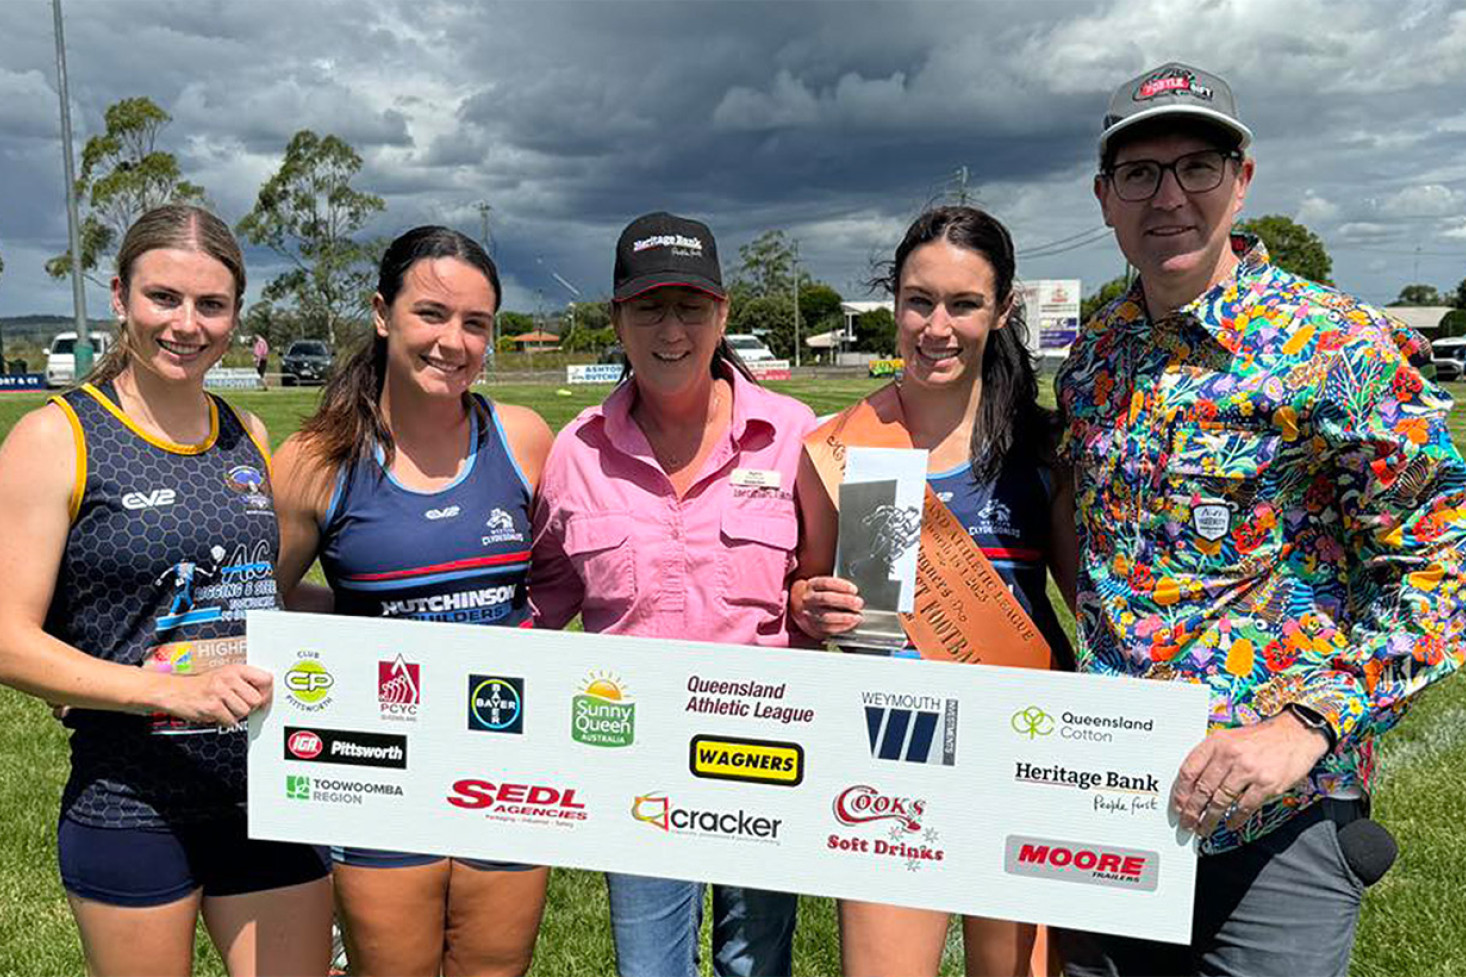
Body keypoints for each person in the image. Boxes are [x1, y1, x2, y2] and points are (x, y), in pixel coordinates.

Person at [1055, 62, 1466, 977]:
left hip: (1276, 823)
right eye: (1139, 173)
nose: (1168, 196)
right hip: (1106, 801)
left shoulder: (1336, 347)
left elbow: (1445, 565)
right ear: (1105, 197)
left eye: (1196, 165)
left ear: (1242, 180)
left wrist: (1308, 726)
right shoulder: (1094, 359)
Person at [0, 204, 332, 976]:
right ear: (120, 297)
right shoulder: (58, 436)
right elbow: (8, 637)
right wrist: (167, 692)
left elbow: (255, 591)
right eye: (164, 298)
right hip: (131, 797)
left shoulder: (246, 430)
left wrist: (380, 614)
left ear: (236, 314)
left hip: (265, 782)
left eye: (211, 304)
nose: (186, 324)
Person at [791, 205, 1077, 977]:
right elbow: (805, 591)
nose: (937, 326)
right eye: (919, 301)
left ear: (1004, 309)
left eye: (964, 304)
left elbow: (1093, 605)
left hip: (1025, 750)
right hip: (890, 757)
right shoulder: (838, 446)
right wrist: (806, 603)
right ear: (894, 304)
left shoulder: (1044, 449)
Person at [530, 211, 815, 977]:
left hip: (764, 746)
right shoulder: (576, 454)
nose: (671, 329)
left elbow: (824, 586)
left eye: (691, 306)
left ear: (722, 315)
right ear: (618, 319)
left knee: (756, 963)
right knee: (648, 969)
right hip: (633, 757)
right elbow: (540, 604)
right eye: (649, 306)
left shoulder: (796, 436)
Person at [271, 225, 554, 977]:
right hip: (380, 769)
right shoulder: (315, 461)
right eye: (431, 314)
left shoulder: (522, 439)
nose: (453, 341)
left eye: (476, 323)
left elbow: (556, 588)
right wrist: (367, 626)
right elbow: (257, 598)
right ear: (381, 312)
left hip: (509, 760)